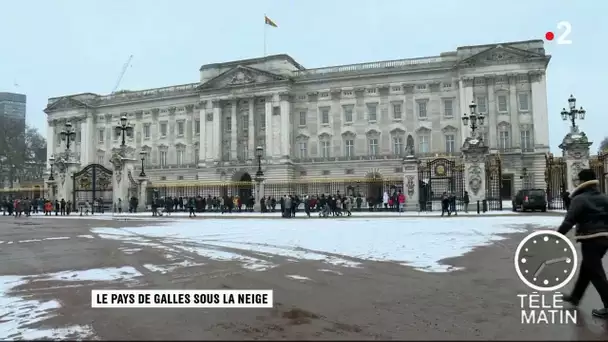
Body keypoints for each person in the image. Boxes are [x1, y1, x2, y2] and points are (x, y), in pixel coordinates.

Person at [557, 169, 608, 319]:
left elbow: (570, 220)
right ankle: (575, 297)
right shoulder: (604, 197)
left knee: (596, 273)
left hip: (590, 238)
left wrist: (557, 236)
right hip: (605, 239)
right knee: (587, 268)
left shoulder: (580, 199)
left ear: (581, 181)